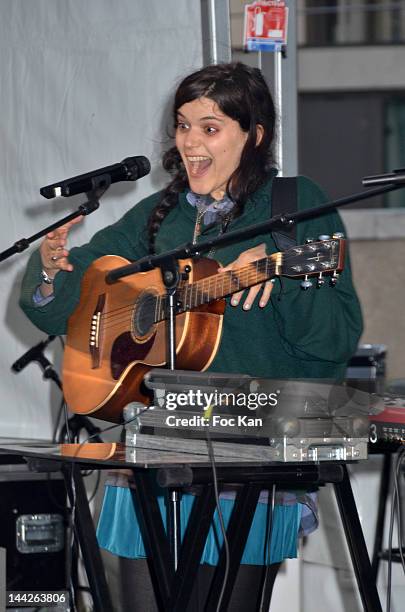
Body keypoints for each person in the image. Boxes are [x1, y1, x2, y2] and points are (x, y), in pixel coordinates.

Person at [19, 62, 363, 610]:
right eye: (182, 125)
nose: (189, 142)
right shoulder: (157, 217)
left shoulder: (293, 208)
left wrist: (281, 270)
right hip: (153, 457)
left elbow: (331, 341)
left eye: (210, 127)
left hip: (250, 458)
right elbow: (67, 301)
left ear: (255, 135)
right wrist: (49, 272)